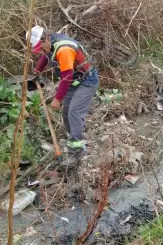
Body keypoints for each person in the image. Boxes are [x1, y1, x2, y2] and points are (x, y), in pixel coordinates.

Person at [26, 25, 99, 166]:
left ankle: (76, 153)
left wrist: (57, 99)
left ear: (45, 38)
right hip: (75, 82)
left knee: (74, 112)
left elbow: (67, 77)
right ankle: (73, 139)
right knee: (66, 113)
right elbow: (45, 57)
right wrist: (36, 73)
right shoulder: (50, 44)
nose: (41, 51)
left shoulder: (64, 49)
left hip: (87, 81)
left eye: (40, 48)